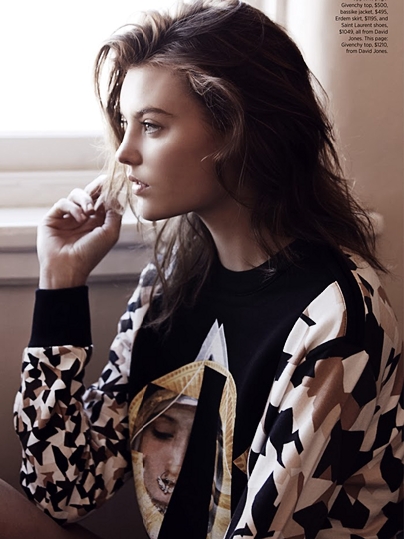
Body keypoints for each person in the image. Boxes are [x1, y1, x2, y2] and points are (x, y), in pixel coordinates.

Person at [13, 0, 403, 538]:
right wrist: (60, 285)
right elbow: (63, 489)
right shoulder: (168, 284)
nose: (124, 153)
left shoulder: (337, 316)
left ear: (239, 131)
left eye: (151, 125)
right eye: (125, 124)